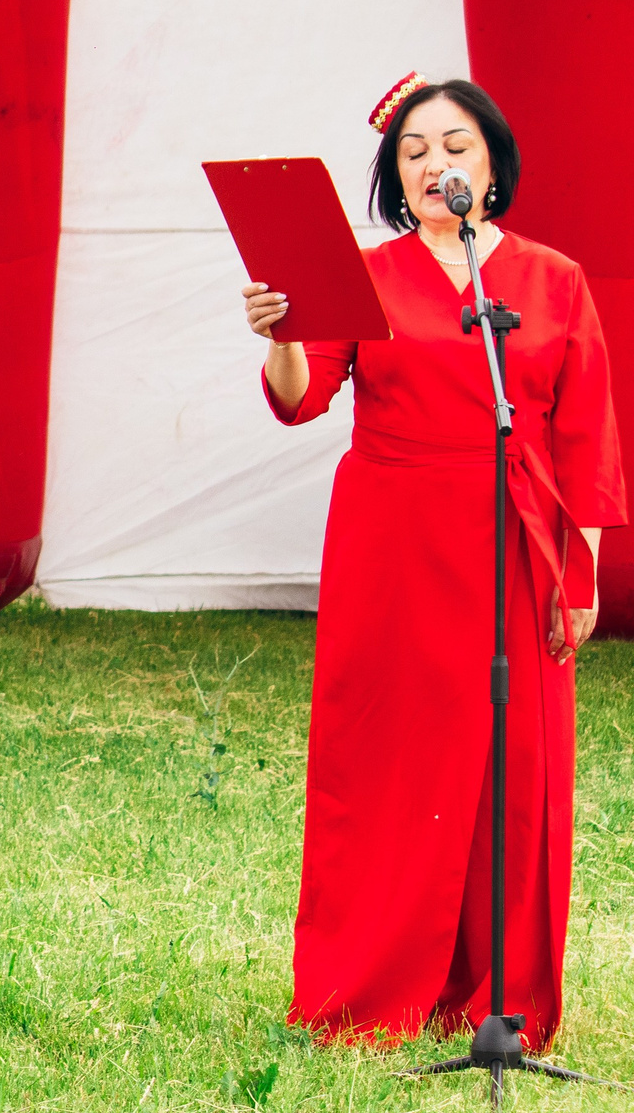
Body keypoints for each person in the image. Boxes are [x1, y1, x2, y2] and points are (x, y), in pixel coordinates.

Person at [245, 74, 623, 1052]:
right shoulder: (363, 275)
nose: (433, 166)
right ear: (392, 176)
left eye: (452, 146)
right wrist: (283, 331)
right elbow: (298, 397)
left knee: (516, 764)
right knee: (388, 757)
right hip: (395, 540)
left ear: (489, 163)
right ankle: (368, 988)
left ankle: (495, 989)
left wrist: (577, 567)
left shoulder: (551, 280)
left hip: (517, 536)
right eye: (412, 152)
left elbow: (584, 434)